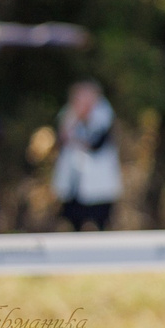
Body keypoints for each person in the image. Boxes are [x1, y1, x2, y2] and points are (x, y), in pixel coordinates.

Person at [52, 81, 123, 230]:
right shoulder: (68, 115)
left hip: (99, 185)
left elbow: (96, 144)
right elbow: (61, 140)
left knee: (100, 222)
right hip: (74, 184)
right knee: (74, 221)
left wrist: (75, 139)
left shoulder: (104, 117)